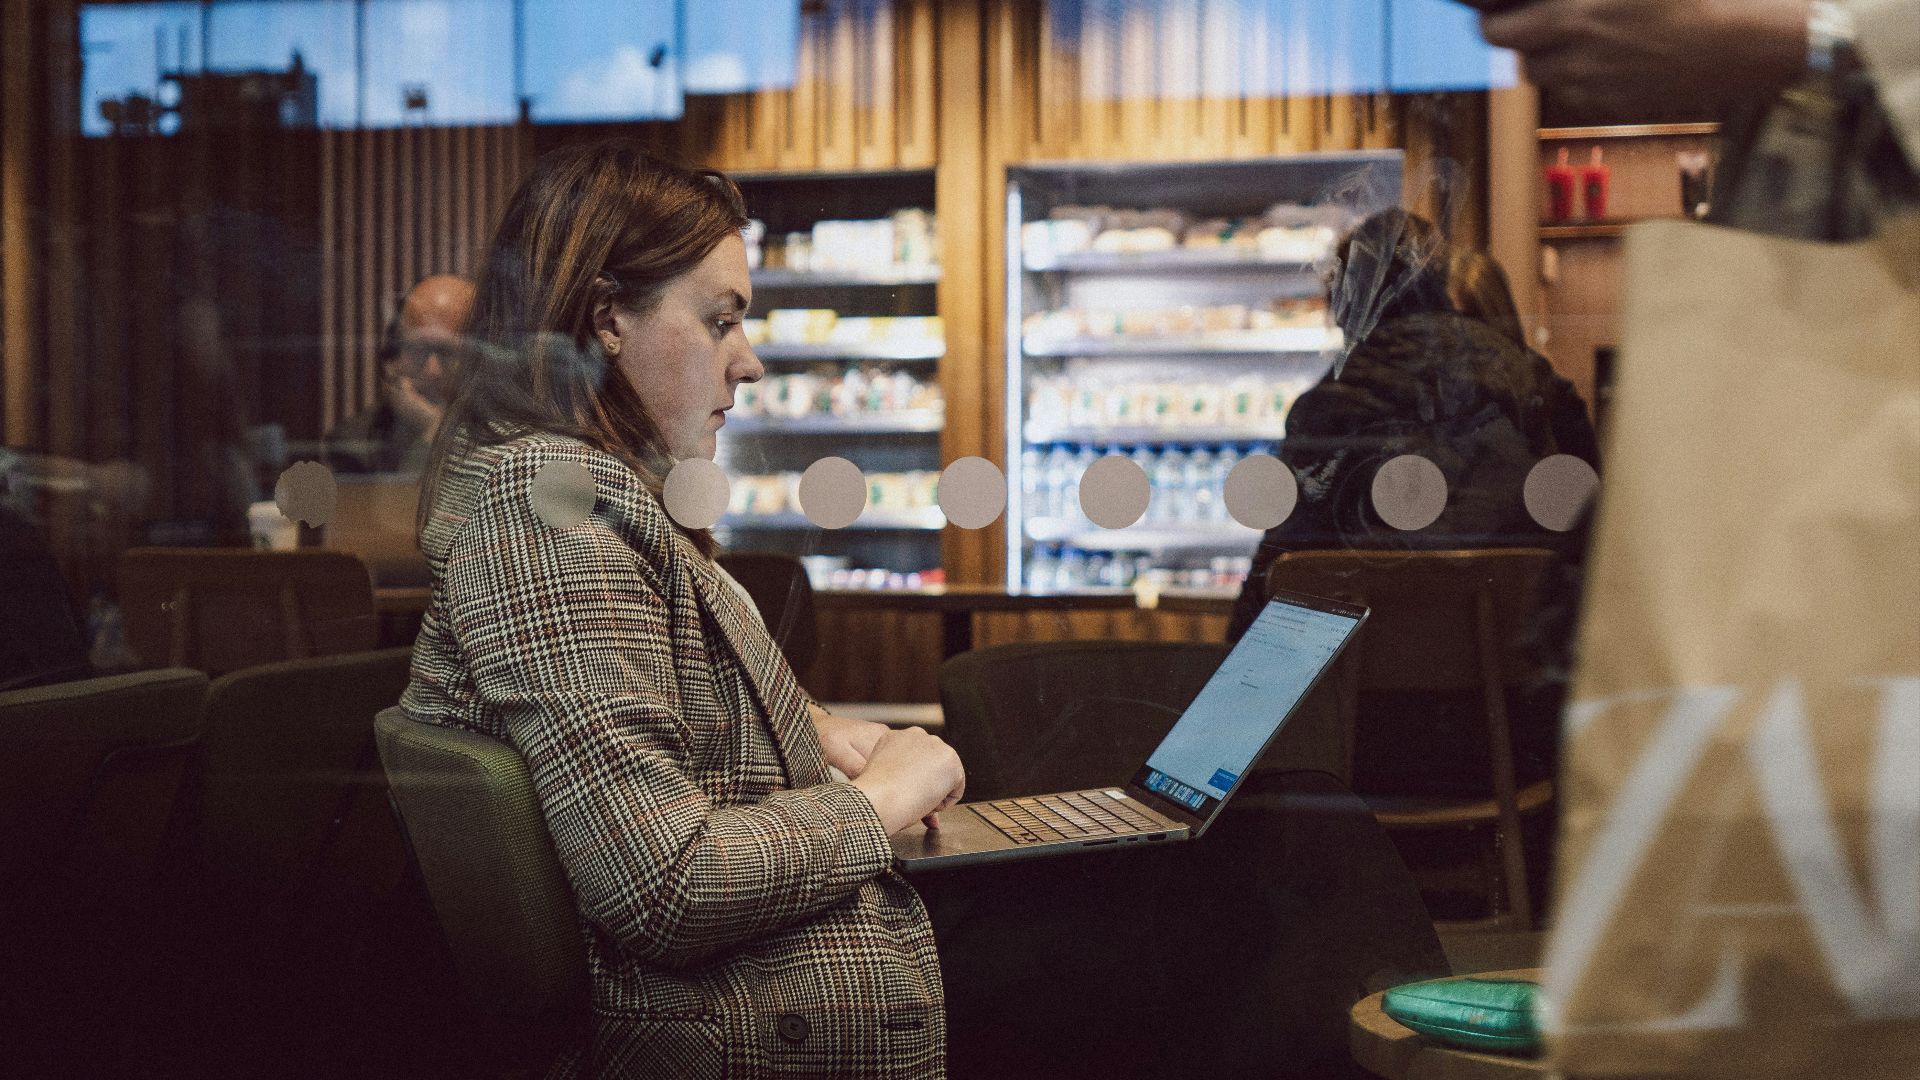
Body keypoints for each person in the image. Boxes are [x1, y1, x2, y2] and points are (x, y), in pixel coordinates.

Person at [401, 140, 1445, 1079]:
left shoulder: (577, 495)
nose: (749, 358)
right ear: (603, 320)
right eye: (719, 319)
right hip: (767, 1001)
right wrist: (886, 795)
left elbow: (646, 725)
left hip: (806, 941)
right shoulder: (542, 508)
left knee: (1275, 832)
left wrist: (815, 731)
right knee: (1288, 863)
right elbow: (663, 884)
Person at [1225, 211, 1598, 809]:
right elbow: (1593, 572)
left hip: (1358, 755)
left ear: (1348, 304)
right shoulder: (1541, 394)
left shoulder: (1328, 413)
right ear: (1440, 283)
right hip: (1514, 749)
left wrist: (1214, 743)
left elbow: (1276, 589)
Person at [325, 274, 474, 474]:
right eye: (419, 350)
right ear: (393, 357)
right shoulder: (355, 445)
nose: (433, 370)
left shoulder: (506, 435)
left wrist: (434, 426)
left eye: (447, 352)